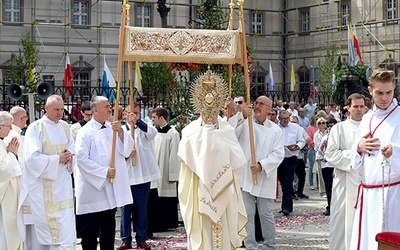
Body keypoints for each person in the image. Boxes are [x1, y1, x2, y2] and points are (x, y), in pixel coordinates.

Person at [178, 72, 247, 250]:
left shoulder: (226, 130)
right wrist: (206, 135)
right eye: (206, 107)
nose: (210, 113)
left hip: (224, 191)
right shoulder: (190, 131)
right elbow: (187, 159)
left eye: (214, 107)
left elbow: (238, 160)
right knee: (203, 235)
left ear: (219, 106)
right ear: (199, 106)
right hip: (199, 190)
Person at [75, 96, 134, 250]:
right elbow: (81, 159)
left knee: (108, 229)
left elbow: (126, 150)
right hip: (94, 189)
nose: (110, 109)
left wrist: (121, 132)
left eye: (110, 106)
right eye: (107, 106)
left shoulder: (111, 128)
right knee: (90, 232)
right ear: (95, 110)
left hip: (109, 188)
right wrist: (103, 172)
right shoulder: (85, 132)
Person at [350, 69, 400, 250]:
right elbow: (354, 158)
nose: (384, 98)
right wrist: (358, 147)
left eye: (389, 92)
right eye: (379, 93)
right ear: (370, 91)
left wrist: (394, 152)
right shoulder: (367, 118)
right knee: (367, 241)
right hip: (368, 192)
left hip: (392, 193)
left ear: (394, 88)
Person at [20, 94, 76, 249]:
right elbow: (32, 158)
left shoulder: (65, 126)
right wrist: (57, 159)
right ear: (46, 108)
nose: (59, 113)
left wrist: (70, 156)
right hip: (45, 187)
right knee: (49, 234)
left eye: (61, 109)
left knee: (66, 228)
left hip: (63, 185)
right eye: (56, 109)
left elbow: (72, 147)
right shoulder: (36, 127)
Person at [236, 96, 284, 249]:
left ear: (269, 109)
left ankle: (270, 244)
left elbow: (278, 154)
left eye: (261, 104)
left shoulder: (275, 130)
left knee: (265, 213)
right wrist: (242, 116)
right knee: (247, 213)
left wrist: (262, 165)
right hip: (246, 175)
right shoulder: (246, 123)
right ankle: (250, 245)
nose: (257, 106)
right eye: (255, 103)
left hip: (264, 175)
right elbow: (232, 135)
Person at [325, 93, 365, 250]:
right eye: (355, 106)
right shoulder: (338, 128)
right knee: (343, 222)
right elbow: (331, 154)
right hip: (345, 181)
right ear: (348, 108)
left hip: (365, 182)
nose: (359, 109)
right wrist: (355, 153)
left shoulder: (370, 127)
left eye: (361, 106)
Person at [118, 103, 161, 250]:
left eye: (136, 113)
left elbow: (153, 133)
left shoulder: (144, 128)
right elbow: (116, 151)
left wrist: (138, 122)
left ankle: (141, 238)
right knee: (125, 210)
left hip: (142, 176)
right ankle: (126, 239)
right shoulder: (121, 130)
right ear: (125, 114)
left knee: (141, 209)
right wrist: (126, 154)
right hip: (126, 176)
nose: (133, 115)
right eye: (130, 113)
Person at [147, 107, 180, 233]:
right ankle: (158, 223)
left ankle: (169, 222)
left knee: (166, 196)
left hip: (166, 170)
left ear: (161, 118)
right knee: (156, 197)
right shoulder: (154, 133)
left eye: (154, 117)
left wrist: (173, 175)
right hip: (155, 169)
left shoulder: (173, 133)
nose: (152, 119)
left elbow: (174, 155)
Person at [0, 111, 23, 250]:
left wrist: (13, 155)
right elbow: (2, 170)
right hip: (4, 201)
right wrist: (12, 154)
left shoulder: (3, 143)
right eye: (9, 126)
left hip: (10, 196)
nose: (10, 130)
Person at [277, 110, 305, 216]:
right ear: (279, 119)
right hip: (279, 158)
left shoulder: (295, 128)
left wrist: (297, 147)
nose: (285, 121)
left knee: (288, 181)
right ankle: (287, 204)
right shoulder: (275, 128)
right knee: (283, 182)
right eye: (283, 119)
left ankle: (286, 207)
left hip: (291, 157)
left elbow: (302, 141)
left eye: (287, 119)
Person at [318, 118, 337, 216]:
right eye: (328, 126)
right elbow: (319, 152)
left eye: (332, 125)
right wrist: (322, 146)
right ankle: (329, 206)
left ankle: (336, 206)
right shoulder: (324, 137)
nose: (330, 128)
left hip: (335, 165)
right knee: (328, 187)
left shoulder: (339, 137)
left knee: (336, 187)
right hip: (326, 165)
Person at [290, 115, 310, 199]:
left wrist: (302, 146)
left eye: (295, 122)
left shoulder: (300, 129)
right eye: (292, 122)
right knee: (289, 176)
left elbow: (308, 139)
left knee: (302, 175)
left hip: (299, 156)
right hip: (289, 156)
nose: (294, 124)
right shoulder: (287, 129)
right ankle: (291, 193)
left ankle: (300, 192)